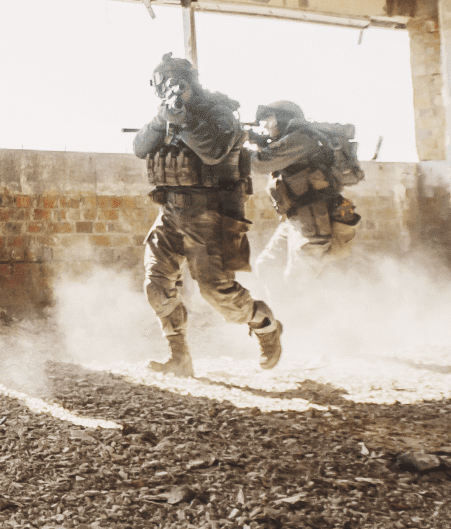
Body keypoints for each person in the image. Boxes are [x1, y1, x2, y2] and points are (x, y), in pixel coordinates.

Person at [132, 54, 282, 377]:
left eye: (173, 84)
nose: (168, 92)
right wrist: (163, 119)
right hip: (171, 212)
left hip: (209, 215)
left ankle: (265, 324)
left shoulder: (219, 112)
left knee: (217, 293)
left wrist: (184, 120)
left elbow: (213, 151)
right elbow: (140, 146)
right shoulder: (168, 113)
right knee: (156, 285)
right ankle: (179, 357)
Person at [247, 100, 363, 281]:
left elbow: (260, 163)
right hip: (296, 221)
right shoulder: (297, 140)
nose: (267, 126)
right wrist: (256, 140)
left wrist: (237, 144)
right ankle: (276, 310)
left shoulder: (301, 139)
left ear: (283, 120)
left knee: (298, 282)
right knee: (267, 266)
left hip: (313, 220)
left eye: (271, 120)